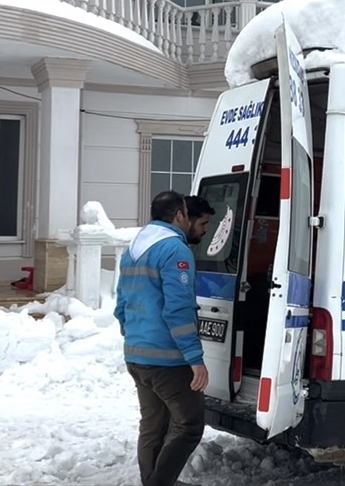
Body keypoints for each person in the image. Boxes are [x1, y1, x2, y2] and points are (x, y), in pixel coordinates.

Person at [114, 190, 207, 486]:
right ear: (180, 215)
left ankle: (153, 480)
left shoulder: (134, 249)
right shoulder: (174, 250)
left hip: (137, 355)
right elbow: (178, 310)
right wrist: (195, 359)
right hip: (168, 359)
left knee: (153, 425)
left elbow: (120, 306)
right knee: (189, 425)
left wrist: (136, 339)